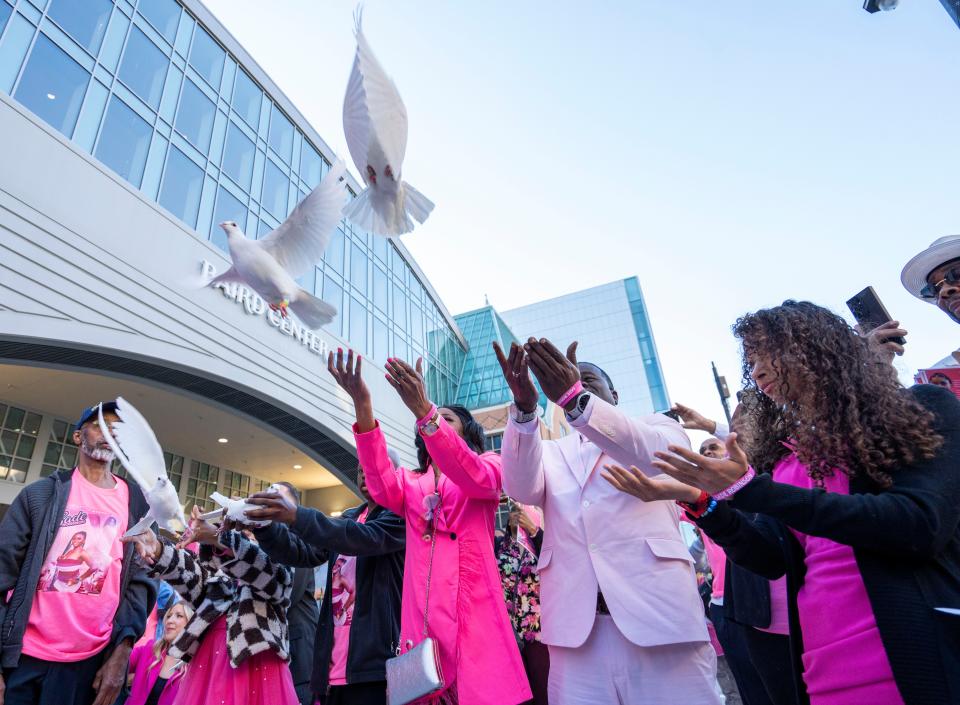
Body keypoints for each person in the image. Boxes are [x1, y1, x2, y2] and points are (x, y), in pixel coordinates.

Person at [614, 301, 960, 705]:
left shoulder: (920, 407)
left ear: (818, 349)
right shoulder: (792, 452)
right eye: (752, 360)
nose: (758, 371)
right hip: (823, 667)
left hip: (911, 658)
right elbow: (770, 558)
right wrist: (702, 503)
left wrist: (751, 490)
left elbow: (918, 525)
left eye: (768, 353)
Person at [493, 338, 722, 705]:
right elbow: (519, 486)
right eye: (568, 381)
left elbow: (655, 458)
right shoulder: (550, 451)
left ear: (612, 393)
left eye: (587, 383)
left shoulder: (658, 427)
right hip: (576, 636)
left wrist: (572, 398)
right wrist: (524, 410)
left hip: (659, 620)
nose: (576, 386)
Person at [327, 349, 531, 705]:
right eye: (435, 417)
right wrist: (363, 403)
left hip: (477, 628)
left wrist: (425, 410)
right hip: (425, 635)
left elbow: (474, 476)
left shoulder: (490, 463)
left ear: (467, 433)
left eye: (447, 418)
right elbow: (379, 483)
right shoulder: (412, 482)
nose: (436, 419)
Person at [0, 401, 157, 705]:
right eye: (99, 425)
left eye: (116, 429)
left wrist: (121, 651)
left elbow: (141, 581)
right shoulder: (41, 494)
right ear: (77, 436)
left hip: (92, 663)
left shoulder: (137, 503)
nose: (109, 433)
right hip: (26, 657)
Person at [670, 404, 798, 705]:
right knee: (753, 690)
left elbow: (749, 446)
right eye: (704, 450)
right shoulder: (703, 500)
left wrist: (709, 424)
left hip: (776, 598)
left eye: (714, 447)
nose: (709, 452)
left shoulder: (750, 480)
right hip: (729, 606)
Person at [246, 467, 405, 705]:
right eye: (359, 469)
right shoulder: (349, 517)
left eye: (373, 465)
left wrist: (297, 516)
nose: (364, 473)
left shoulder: (399, 516)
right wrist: (264, 527)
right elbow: (301, 552)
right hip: (331, 671)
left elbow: (363, 537)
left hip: (376, 670)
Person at [122, 506, 299, 705]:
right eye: (237, 528)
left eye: (249, 530)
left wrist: (220, 538)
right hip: (209, 664)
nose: (243, 534)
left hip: (254, 669)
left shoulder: (278, 567)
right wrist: (158, 550)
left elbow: (267, 574)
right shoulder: (222, 577)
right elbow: (194, 582)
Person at [495, 499, 549, 705]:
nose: (515, 510)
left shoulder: (542, 529)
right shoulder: (501, 543)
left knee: (543, 692)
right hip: (507, 636)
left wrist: (534, 530)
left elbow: (559, 560)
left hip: (539, 633)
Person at [125, 601, 194, 705]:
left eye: (179, 616)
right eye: (169, 616)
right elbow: (119, 663)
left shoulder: (196, 665)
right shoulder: (150, 649)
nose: (169, 620)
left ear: (192, 623)